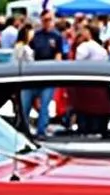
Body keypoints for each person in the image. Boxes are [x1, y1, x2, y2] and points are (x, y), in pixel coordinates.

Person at [23, 10, 63, 138]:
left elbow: (59, 54)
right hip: (34, 74)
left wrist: (57, 69)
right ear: (41, 21)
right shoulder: (36, 35)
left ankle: (41, 131)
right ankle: (23, 128)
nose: (47, 22)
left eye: (49, 19)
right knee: (25, 104)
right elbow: (29, 53)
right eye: (45, 20)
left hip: (48, 74)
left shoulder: (57, 36)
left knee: (45, 104)